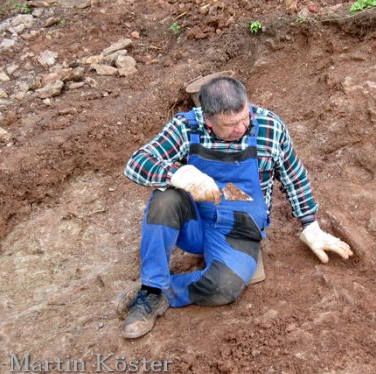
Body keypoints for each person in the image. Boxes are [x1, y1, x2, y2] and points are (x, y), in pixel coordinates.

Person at [118, 77, 353, 339]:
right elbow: (136, 164)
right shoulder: (186, 127)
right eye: (230, 125)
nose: (241, 127)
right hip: (194, 221)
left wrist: (310, 223)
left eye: (244, 117)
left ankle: (165, 293)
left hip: (238, 228)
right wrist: (176, 173)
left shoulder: (269, 128)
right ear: (208, 120)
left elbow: (293, 175)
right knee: (164, 200)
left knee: (224, 288)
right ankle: (150, 290)